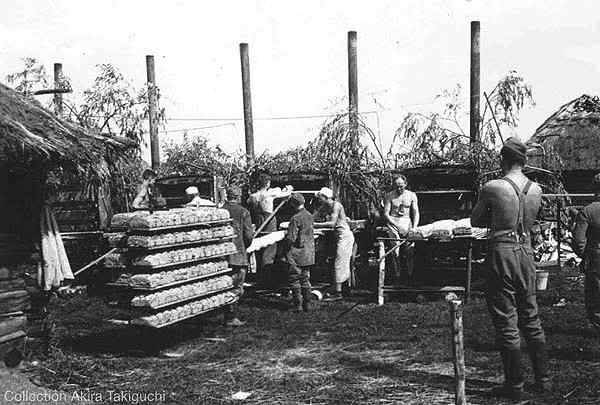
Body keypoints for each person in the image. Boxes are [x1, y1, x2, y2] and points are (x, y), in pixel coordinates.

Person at [471, 137, 550, 401]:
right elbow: (532, 219)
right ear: (523, 160)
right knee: (531, 316)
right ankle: (544, 380)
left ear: (502, 159)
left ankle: (515, 385)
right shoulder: (536, 189)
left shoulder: (492, 186)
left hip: (502, 251)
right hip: (526, 252)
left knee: (506, 319)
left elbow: (476, 220)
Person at [246, 173, 293, 285]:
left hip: (258, 220)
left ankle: (260, 276)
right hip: (269, 220)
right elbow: (286, 194)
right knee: (269, 247)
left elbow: (249, 203)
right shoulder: (270, 193)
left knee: (259, 246)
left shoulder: (253, 196)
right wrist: (289, 188)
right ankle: (267, 279)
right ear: (267, 183)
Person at [313, 187, 354, 301]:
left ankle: (338, 293)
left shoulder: (336, 205)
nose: (318, 200)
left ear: (325, 197)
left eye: (320, 198)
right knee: (341, 262)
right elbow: (313, 217)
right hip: (338, 237)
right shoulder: (325, 206)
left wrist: (314, 225)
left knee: (340, 263)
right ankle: (345, 289)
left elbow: (332, 224)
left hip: (345, 237)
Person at [572, 173, 600, 336]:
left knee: (595, 298)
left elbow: (578, 240)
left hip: (596, 258)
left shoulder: (588, 211)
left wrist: (585, 256)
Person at [222, 185, 254, 327]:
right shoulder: (243, 212)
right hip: (237, 255)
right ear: (239, 196)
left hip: (221, 256)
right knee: (236, 287)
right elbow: (248, 236)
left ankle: (226, 313)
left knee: (223, 285)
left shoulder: (220, 211)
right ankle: (230, 317)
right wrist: (245, 246)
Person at [383, 175, 419, 281]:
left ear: (405, 184)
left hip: (407, 221)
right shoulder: (389, 196)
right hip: (393, 221)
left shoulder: (411, 195)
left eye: (401, 186)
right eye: (397, 186)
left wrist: (414, 227)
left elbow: (416, 212)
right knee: (395, 250)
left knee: (409, 250)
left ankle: (410, 275)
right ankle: (397, 275)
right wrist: (396, 225)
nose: (399, 189)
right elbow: (386, 214)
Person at [284, 193, 315, 312]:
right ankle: (308, 304)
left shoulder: (295, 218)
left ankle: (298, 305)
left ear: (293, 204)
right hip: (308, 252)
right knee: (305, 278)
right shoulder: (309, 216)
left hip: (297, 252)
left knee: (294, 278)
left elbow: (291, 238)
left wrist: (285, 246)